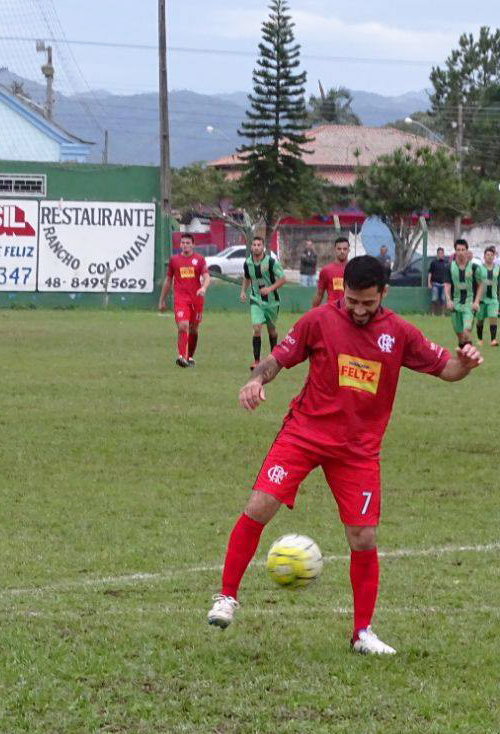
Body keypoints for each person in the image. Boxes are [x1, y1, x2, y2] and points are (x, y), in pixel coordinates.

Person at [206, 256, 483, 654]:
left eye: (367, 303)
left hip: (357, 450)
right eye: (351, 300)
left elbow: (448, 369)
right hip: (304, 434)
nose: (357, 309)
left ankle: (362, 633)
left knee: (363, 536)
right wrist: (254, 379)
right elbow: (277, 359)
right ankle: (226, 596)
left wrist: (467, 364)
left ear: (383, 294)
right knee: (259, 505)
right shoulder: (318, 320)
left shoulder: (400, 333)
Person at [158, 233, 210, 367]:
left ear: (193, 244)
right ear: (180, 244)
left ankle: (190, 356)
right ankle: (181, 356)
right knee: (183, 326)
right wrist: (161, 300)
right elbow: (168, 280)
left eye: (188, 243)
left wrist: (203, 287)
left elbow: (206, 276)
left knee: (194, 329)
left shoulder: (199, 259)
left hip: (196, 299)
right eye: (183, 243)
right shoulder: (174, 260)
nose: (185, 245)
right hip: (181, 299)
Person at [240, 235, 285, 370]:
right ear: (251, 247)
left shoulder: (271, 262)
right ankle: (257, 361)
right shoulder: (247, 263)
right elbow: (247, 277)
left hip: (272, 302)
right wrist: (243, 291)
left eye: (259, 245)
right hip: (256, 300)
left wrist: (269, 289)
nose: (256, 247)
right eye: (254, 245)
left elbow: (283, 279)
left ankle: (273, 357)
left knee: (272, 331)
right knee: (257, 328)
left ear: (263, 247)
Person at [443, 238, 481, 347]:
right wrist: (448, 300)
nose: (460, 252)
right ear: (455, 251)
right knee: (460, 336)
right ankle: (464, 358)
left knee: (466, 331)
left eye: (463, 250)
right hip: (455, 304)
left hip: (469, 303)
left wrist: (476, 302)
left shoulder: (474, 268)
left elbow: (481, 285)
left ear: (467, 251)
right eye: (458, 250)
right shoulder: (449, 267)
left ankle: (469, 357)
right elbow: (447, 285)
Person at [476, 245, 500, 346]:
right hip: (481, 299)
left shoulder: (498, 269)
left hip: (493, 299)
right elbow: (475, 284)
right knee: (480, 320)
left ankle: (493, 340)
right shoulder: (479, 269)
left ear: (494, 257)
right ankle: (480, 339)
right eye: (487, 254)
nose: (489, 256)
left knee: (493, 317)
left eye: (491, 255)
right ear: (484, 257)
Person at [312, 236, 350, 309]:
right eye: (339, 249)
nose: (342, 251)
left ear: (348, 250)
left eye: (345, 249)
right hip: (331, 310)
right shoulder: (326, 270)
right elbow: (319, 294)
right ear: (334, 250)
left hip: (348, 311)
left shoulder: (354, 269)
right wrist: (312, 311)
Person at [426, 247, 449, 316]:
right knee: (434, 299)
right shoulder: (433, 262)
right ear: (437, 254)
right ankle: (433, 313)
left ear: (443, 254)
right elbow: (430, 273)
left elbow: (448, 274)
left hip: (444, 284)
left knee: (443, 299)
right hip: (435, 284)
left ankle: (443, 314)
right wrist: (429, 283)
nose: (440, 254)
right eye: (439, 253)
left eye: (442, 253)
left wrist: (447, 284)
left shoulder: (446, 263)